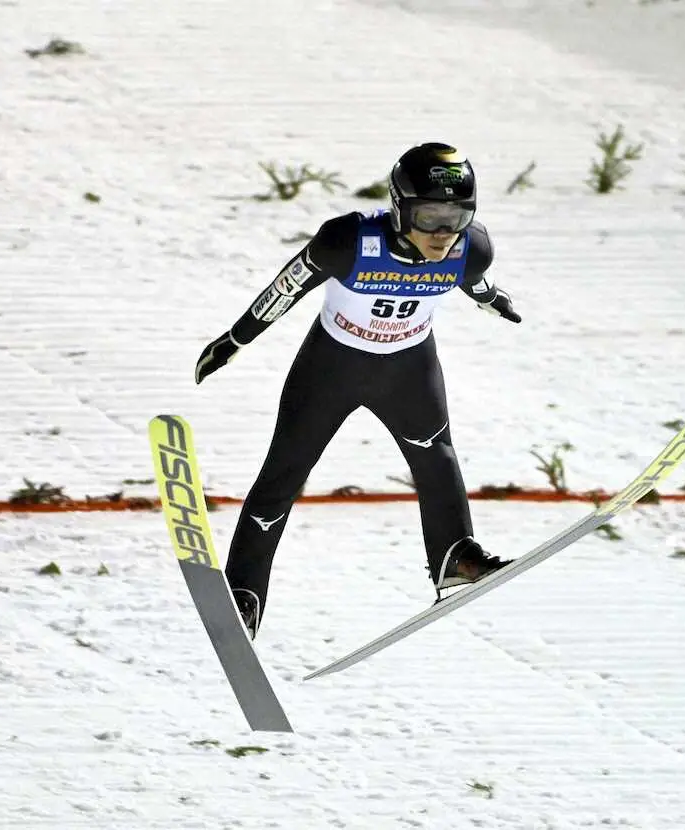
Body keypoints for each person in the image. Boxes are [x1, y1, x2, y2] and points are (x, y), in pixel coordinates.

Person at [194, 142, 522, 639]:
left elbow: (473, 281)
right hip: (333, 367)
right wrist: (235, 340)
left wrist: (493, 299)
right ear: (400, 206)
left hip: (409, 369)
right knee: (284, 474)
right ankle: (244, 592)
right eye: (429, 215)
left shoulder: (471, 248)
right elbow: (288, 286)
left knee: (438, 460)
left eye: (456, 216)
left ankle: (455, 558)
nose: (442, 232)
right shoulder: (349, 240)